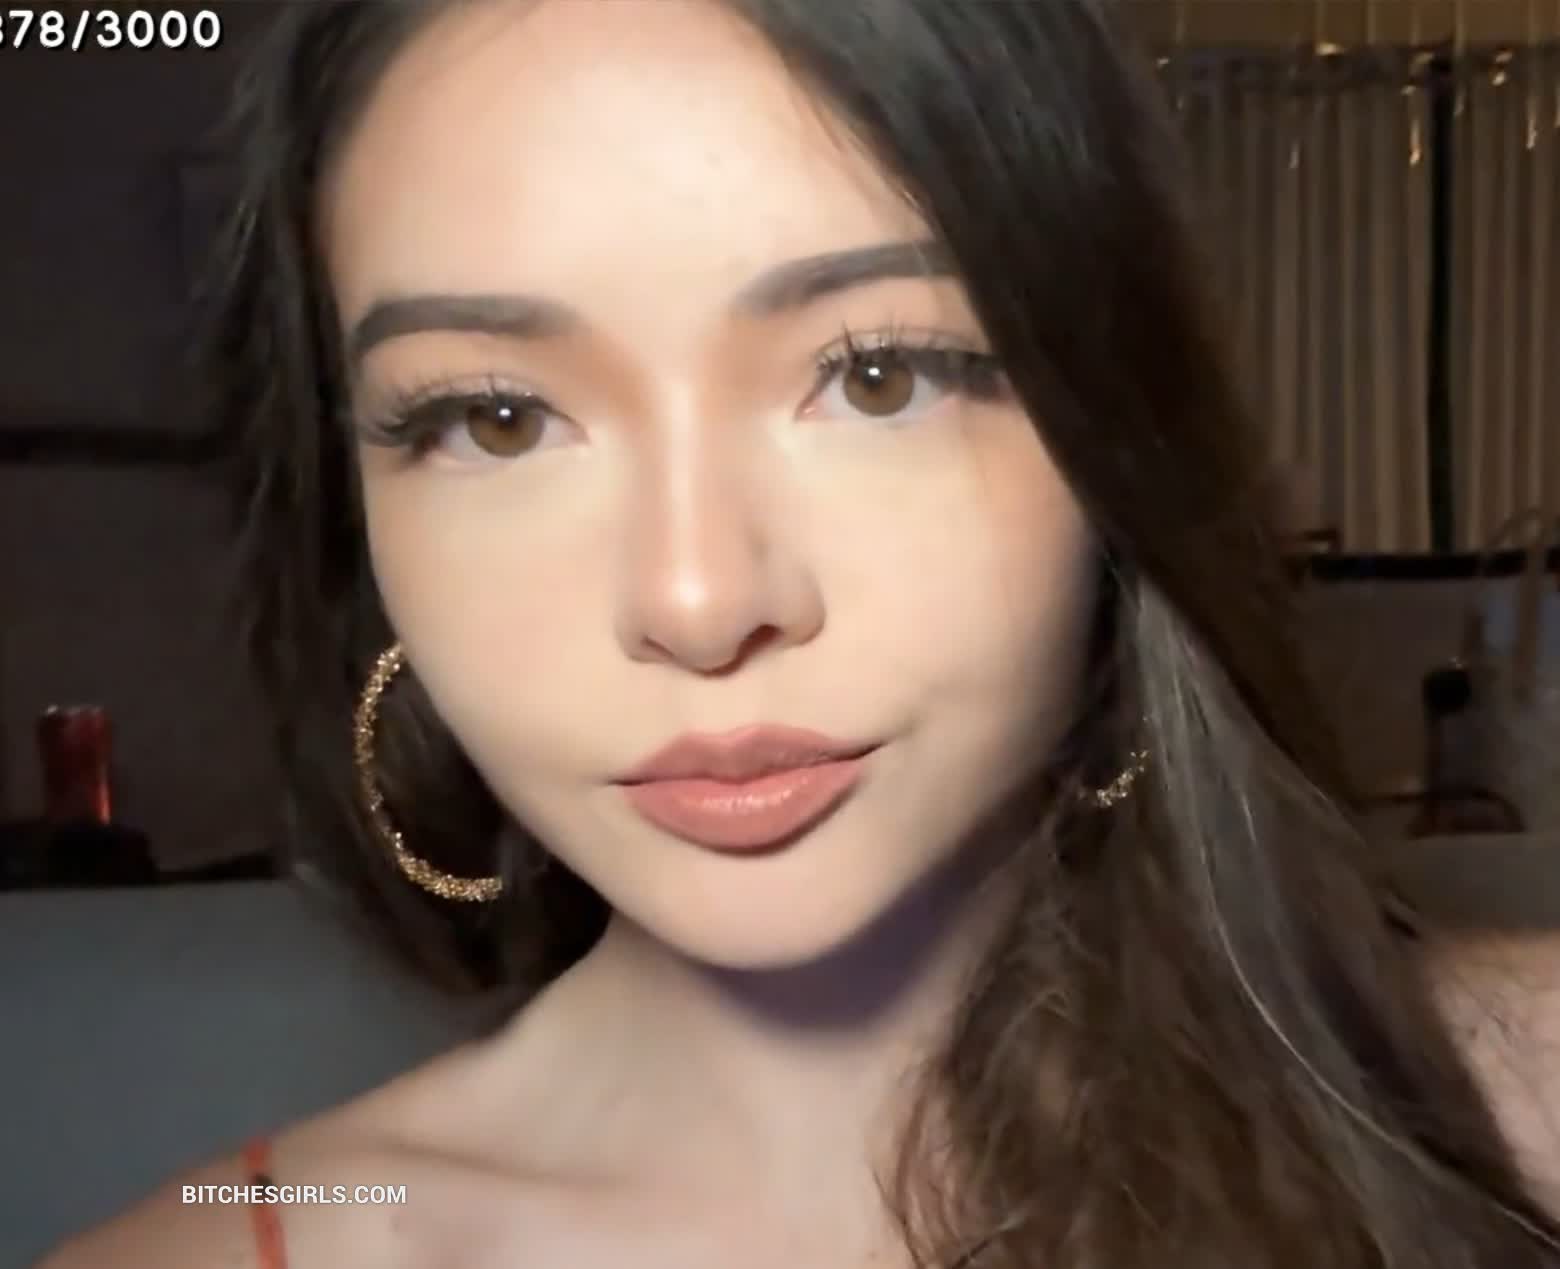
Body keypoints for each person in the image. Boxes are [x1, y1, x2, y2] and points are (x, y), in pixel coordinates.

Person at [38, 1, 1560, 1266]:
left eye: (880, 377)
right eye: (495, 418)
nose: (698, 603)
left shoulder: (1511, 1109)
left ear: (1114, 434)